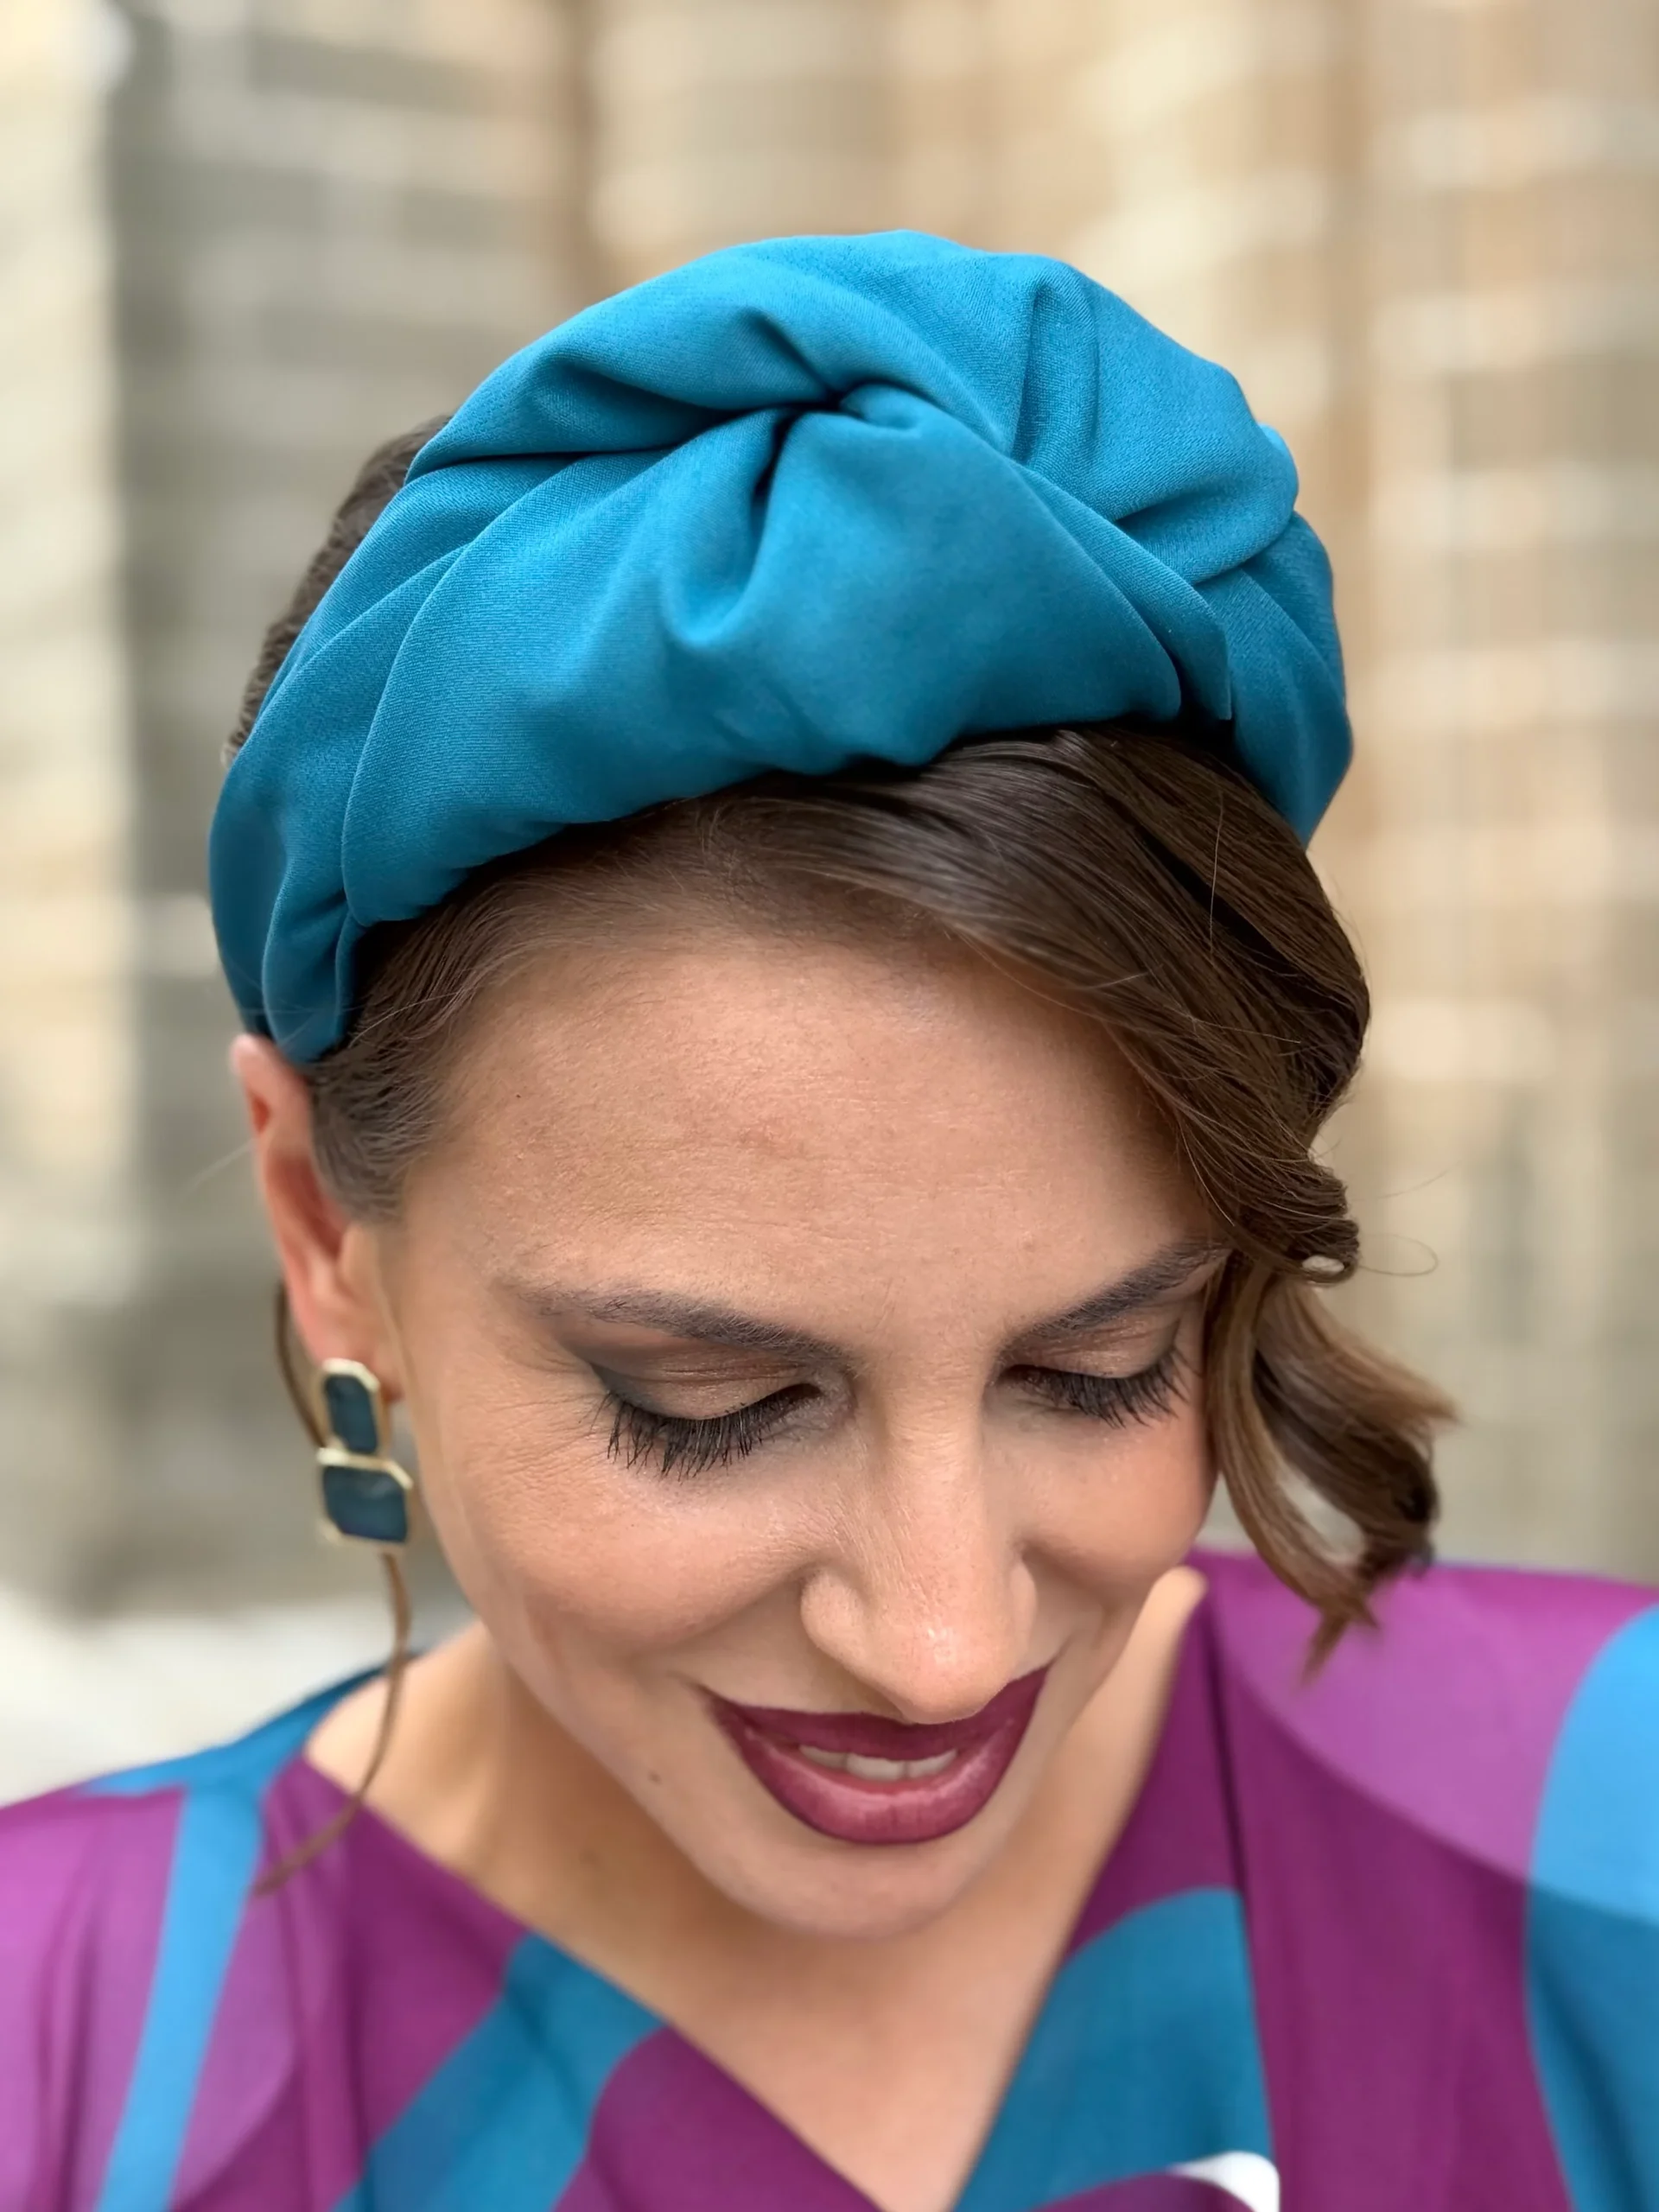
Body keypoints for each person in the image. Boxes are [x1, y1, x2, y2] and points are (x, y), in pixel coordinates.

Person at [2, 232, 1654, 2212]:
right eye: (706, 1403)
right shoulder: (63, 2056)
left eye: (1102, 1367)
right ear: (322, 1229)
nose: (944, 1647)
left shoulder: (1610, 1836)